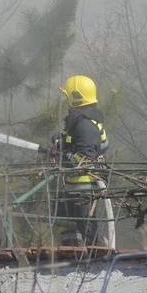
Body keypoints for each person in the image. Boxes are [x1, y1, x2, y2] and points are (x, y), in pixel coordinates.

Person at [51, 74, 109, 246]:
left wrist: (63, 157)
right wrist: (61, 143)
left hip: (84, 185)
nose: (65, 99)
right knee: (66, 220)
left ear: (75, 97)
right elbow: (78, 144)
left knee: (86, 226)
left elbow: (85, 156)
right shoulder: (82, 120)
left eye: (67, 95)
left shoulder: (84, 123)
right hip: (76, 185)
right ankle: (73, 252)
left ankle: (93, 255)